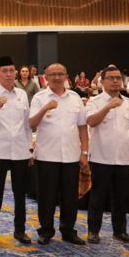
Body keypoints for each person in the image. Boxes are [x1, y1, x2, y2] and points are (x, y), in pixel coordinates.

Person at [29, 64, 88, 245]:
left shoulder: (75, 97)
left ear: (66, 76)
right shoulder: (40, 97)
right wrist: (45, 108)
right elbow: (31, 123)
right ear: (45, 77)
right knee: (46, 196)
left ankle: (68, 230)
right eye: (52, 74)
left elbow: (82, 127)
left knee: (70, 196)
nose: (56, 77)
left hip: (71, 154)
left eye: (60, 74)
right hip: (47, 154)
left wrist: (84, 151)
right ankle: (46, 230)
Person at [85, 65, 129, 244]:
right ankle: (93, 231)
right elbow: (91, 122)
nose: (115, 81)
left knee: (121, 197)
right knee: (98, 196)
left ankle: (120, 231)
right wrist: (108, 107)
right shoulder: (94, 101)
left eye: (118, 78)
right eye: (111, 78)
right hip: (101, 157)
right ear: (103, 81)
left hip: (124, 157)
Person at [0, 56, 33, 245]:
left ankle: (20, 230)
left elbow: (27, 124)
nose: (9, 74)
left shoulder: (21, 94)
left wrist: (29, 148)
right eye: (5, 71)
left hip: (20, 150)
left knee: (20, 193)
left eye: (12, 70)